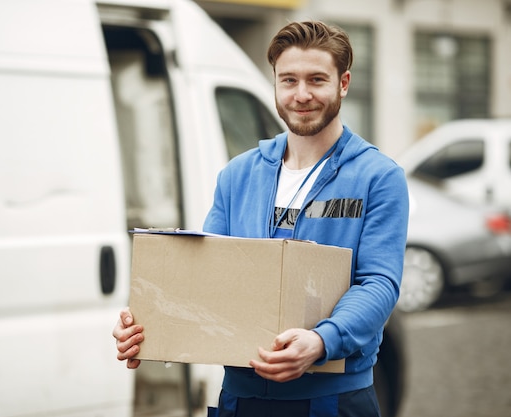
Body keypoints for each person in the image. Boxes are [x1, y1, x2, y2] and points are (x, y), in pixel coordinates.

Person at [113, 20, 409, 417]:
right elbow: (206, 278)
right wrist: (149, 329)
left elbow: (379, 283)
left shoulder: (378, 177)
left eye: (316, 80)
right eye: (288, 80)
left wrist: (321, 342)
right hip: (241, 398)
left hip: (333, 399)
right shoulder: (239, 174)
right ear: (274, 83)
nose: (301, 95)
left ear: (343, 83)